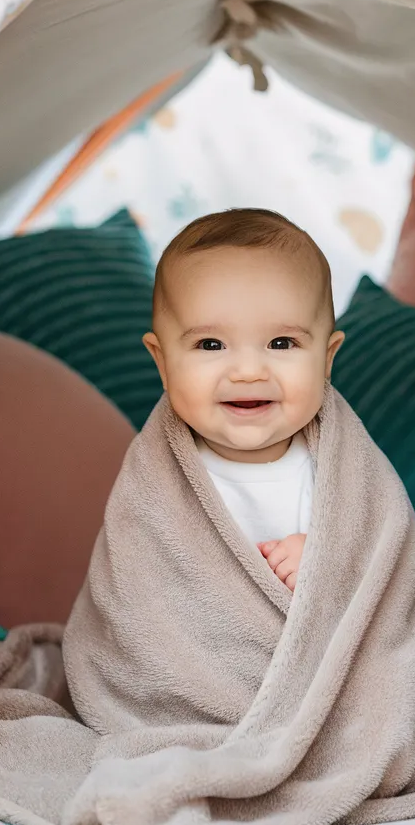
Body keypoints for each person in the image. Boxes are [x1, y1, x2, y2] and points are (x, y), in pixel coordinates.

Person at [143, 208, 344, 591]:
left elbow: (382, 565)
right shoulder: (155, 486)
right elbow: (137, 594)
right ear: (163, 363)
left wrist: (324, 566)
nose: (248, 371)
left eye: (281, 343)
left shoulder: (345, 472)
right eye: (211, 344)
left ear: (326, 359)